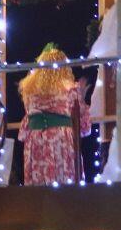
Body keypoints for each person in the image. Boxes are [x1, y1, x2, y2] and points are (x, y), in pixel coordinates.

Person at [18, 45, 91, 186]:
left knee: (38, 187)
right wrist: (82, 99)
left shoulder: (29, 89)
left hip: (36, 139)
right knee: (64, 186)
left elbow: (27, 118)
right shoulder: (71, 89)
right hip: (61, 140)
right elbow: (84, 128)